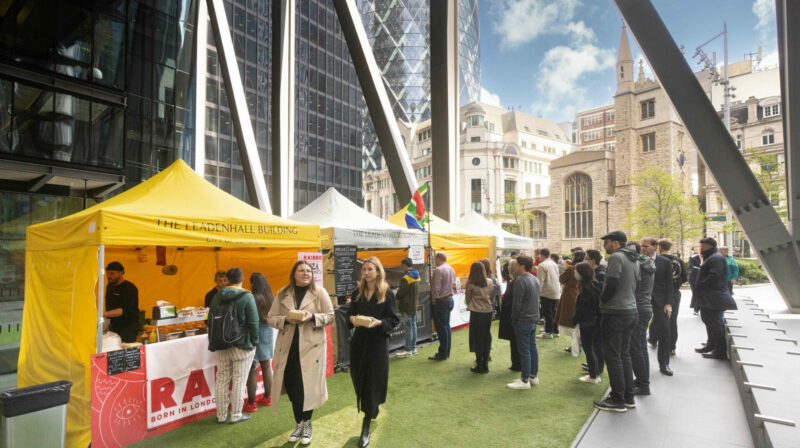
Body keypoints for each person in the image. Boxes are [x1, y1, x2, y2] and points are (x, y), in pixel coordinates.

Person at [268, 261, 334, 445]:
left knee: (308, 388)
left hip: (311, 350)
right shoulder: (282, 293)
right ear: (294, 274)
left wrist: (312, 317)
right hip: (288, 349)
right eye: (301, 270)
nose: (306, 273)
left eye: (308, 271)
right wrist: (287, 320)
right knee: (293, 388)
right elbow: (271, 318)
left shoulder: (319, 292)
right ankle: (299, 423)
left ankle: (307, 423)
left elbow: (331, 315)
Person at [347, 257, 400, 447]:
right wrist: (352, 319)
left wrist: (379, 323)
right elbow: (349, 314)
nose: (366, 272)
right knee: (359, 378)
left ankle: (366, 422)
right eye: (364, 270)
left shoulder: (387, 293)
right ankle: (372, 408)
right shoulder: (356, 293)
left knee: (373, 381)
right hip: (359, 343)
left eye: (370, 269)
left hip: (377, 344)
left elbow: (394, 319)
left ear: (378, 271)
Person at [593, 231, 639, 413]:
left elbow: (611, 284)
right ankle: (628, 397)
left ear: (616, 243)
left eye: (607, 242)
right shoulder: (634, 258)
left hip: (616, 312)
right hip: (630, 310)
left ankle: (617, 399)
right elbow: (638, 284)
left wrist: (602, 301)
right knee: (624, 355)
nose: (604, 246)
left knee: (613, 356)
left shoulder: (617, 258)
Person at [209, 267, 259, 424]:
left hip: (222, 343)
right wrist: (255, 341)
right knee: (239, 379)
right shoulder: (247, 296)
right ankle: (236, 414)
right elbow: (253, 322)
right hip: (242, 343)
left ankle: (221, 415)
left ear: (228, 279)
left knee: (222, 378)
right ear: (242, 279)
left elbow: (210, 319)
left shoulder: (217, 295)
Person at [694, 238, 737, 360]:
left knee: (715, 325)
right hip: (710, 298)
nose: (701, 248)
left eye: (702, 246)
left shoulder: (715, 258)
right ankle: (711, 345)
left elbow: (714, 276)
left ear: (709, 246)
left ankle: (720, 352)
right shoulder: (713, 256)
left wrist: (701, 284)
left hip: (714, 298)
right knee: (709, 322)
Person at [507, 255, 541, 390]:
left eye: (516, 264)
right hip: (533, 318)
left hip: (523, 319)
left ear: (521, 266)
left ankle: (525, 379)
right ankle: (532, 376)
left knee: (525, 350)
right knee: (532, 348)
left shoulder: (520, 281)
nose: (514, 266)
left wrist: (514, 319)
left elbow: (517, 305)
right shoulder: (534, 279)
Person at [243, 272, 275, 413]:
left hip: (254, 333)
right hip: (268, 331)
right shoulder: (270, 296)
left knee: (252, 368)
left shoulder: (252, 297)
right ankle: (268, 398)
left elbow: (249, 318)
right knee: (267, 365)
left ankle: (251, 403)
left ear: (253, 284)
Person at [573, 262, 603, 383]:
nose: (575, 273)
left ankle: (593, 375)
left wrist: (575, 320)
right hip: (597, 321)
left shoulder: (586, 289)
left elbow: (582, 309)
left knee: (588, 348)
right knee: (596, 347)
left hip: (588, 323)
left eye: (576, 271)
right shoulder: (597, 285)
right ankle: (596, 371)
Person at [657, 239, 687, 356]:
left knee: (660, 318)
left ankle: (657, 340)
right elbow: (684, 277)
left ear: (660, 247)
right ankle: (671, 347)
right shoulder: (678, 260)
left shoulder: (659, 260)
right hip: (675, 292)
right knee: (673, 320)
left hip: (661, 293)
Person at [465, 261, 495, 374]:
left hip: (476, 312)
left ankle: (480, 364)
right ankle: (485, 365)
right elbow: (492, 296)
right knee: (486, 338)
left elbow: (467, 299)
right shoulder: (490, 282)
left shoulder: (471, 283)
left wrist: (472, 304)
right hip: (487, 311)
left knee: (477, 339)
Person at [103, 262, 140, 343]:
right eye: (107, 273)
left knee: (125, 350)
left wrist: (102, 314)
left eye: (112, 273)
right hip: (113, 326)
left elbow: (122, 311)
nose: (109, 276)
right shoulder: (109, 286)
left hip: (128, 327)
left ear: (121, 273)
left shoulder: (130, 288)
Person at [555, 251, 585, 349]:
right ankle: (578, 343)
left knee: (571, 321)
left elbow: (561, 279)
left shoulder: (572, 268)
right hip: (580, 293)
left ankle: (575, 345)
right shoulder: (584, 267)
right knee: (578, 320)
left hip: (570, 295)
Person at [429, 252, 456, 361]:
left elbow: (436, 288)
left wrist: (434, 300)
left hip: (441, 301)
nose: (435, 261)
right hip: (449, 299)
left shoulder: (439, 270)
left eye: (435, 259)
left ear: (439, 258)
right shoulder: (451, 268)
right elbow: (454, 284)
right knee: (446, 327)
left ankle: (443, 353)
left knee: (441, 328)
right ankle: (446, 352)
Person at [395, 258, 420, 358]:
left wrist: (397, 294)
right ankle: (413, 348)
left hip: (406, 306)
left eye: (402, 265)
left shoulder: (406, 278)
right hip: (414, 305)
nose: (402, 267)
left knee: (408, 328)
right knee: (413, 326)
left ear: (405, 265)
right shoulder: (417, 275)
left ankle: (408, 350)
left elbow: (400, 293)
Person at [498, 260, 520, 371]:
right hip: (518, 317)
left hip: (515, 318)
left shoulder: (515, 283)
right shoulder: (517, 281)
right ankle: (517, 364)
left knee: (516, 342)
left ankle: (517, 364)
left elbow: (511, 302)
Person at [536, 248, 562, 339]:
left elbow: (540, 281)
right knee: (554, 312)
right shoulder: (554, 264)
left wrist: (537, 293)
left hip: (546, 292)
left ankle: (548, 332)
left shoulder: (541, 265)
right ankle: (555, 331)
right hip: (555, 290)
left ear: (541, 255)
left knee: (548, 313)